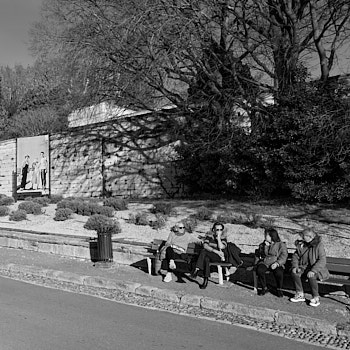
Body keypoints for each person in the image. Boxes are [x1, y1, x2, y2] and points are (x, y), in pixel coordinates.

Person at [191, 222, 242, 290]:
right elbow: (205, 245)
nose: (219, 231)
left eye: (220, 230)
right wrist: (216, 251)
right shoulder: (209, 237)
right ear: (213, 230)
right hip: (211, 255)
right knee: (206, 258)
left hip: (220, 258)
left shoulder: (223, 238)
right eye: (217, 229)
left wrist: (218, 238)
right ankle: (205, 280)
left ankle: (197, 269)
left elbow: (221, 246)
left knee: (204, 252)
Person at [290, 228, 329, 307]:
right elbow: (295, 256)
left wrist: (313, 270)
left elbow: (322, 260)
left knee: (311, 276)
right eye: (303, 236)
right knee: (295, 272)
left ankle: (315, 297)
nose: (304, 238)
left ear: (311, 236)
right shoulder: (301, 245)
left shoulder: (318, 245)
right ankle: (300, 293)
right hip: (303, 267)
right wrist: (295, 266)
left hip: (316, 269)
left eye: (305, 236)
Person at [255, 227, 288, 297]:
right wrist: (265, 247)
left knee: (279, 272)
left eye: (266, 235)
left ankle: (279, 288)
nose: (265, 236)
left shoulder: (281, 244)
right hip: (265, 262)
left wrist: (277, 263)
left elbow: (284, 255)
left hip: (276, 262)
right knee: (260, 270)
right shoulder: (263, 244)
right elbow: (260, 255)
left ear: (271, 236)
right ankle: (264, 287)